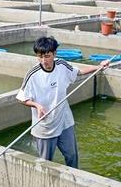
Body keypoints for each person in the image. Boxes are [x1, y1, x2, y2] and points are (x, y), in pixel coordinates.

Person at [15, 36, 110, 168]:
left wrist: (98, 67)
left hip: (64, 120)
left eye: (47, 56)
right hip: (45, 125)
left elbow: (78, 72)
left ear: (54, 54)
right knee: (45, 163)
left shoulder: (61, 64)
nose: (43, 61)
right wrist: (36, 105)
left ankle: (73, 179)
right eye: (40, 56)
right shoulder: (33, 74)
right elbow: (20, 97)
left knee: (72, 156)